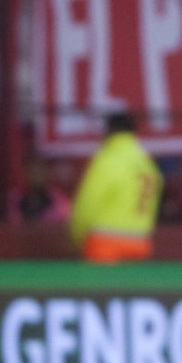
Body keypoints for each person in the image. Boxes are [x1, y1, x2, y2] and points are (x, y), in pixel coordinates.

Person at [69, 112, 163, 263]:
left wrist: (76, 234)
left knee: (103, 287)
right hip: (140, 243)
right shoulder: (148, 165)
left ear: (109, 131)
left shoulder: (108, 159)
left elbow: (88, 201)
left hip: (104, 243)